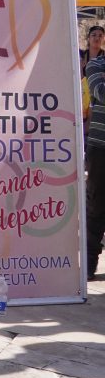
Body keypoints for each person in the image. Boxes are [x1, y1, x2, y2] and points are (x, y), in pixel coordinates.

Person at [85, 49, 105, 280]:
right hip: (100, 148)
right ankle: (90, 265)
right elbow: (101, 92)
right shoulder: (95, 65)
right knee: (96, 207)